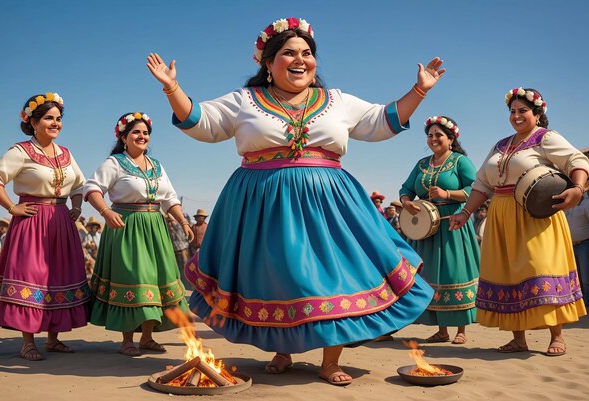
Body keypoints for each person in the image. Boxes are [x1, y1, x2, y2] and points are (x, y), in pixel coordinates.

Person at [147, 17, 444, 385]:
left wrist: (419, 90)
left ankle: (330, 360)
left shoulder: (336, 101)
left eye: (307, 53)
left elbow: (380, 122)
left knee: (333, 277)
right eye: (289, 53)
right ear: (268, 64)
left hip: (330, 203)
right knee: (278, 278)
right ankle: (283, 350)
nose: (300, 59)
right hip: (262, 203)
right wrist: (172, 88)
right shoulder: (245, 100)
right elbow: (201, 122)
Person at [449, 87, 589, 356]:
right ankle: (518, 339)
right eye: (512, 111)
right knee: (509, 273)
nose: (516, 116)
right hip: (501, 216)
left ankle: (556, 335)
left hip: (535, 215)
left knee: (542, 267)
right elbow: (482, 183)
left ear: (537, 113)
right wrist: (465, 212)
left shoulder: (546, 138)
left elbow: (576, 160)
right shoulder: (501, 145)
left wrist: (578, 188)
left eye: (522, 110)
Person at [0, 92, 90, 361]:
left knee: (58, 276)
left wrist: (76, 206)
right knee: (32, 277)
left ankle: (53, 339)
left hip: (61, 221)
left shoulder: (66, 154)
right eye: (48, 118)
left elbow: (79, 184)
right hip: (31, 222)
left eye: (58, 119)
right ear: (33, 122)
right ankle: (28, 342)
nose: (55, 123)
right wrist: (11, 207)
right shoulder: (20, 151)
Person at [83, 111, 194, 357]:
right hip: (127, 227)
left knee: (153, 281)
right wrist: (105, 212)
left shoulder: (156, 166)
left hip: (155, 228)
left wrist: (182, 221)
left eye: (145, 133)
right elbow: (92, 188)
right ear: (124, 137)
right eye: (136, 132)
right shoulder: (114, 163)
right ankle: (127, 339)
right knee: (133, 278)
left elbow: (169, 198)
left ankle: (147, 338)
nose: (142, 136)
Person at [399, 116, 480, 345]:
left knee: (455, 274)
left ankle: (461, 329)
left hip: (453, 224)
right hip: (425, 231)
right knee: (431, 277)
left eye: (438, 135)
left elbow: (475, 189)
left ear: (451, 139)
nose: (433, 139)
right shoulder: (422, 164)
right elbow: (406, 188)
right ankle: (442, 330)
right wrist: (405, 201)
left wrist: (448, 194)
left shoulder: (460, 161)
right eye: (430, 135)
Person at [564, 194, 589, 312]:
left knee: (586, 278)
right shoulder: (567, 206)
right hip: (569, 246)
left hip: (584, 245)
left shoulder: (588, 204)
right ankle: (578, 305)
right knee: (573, 278)